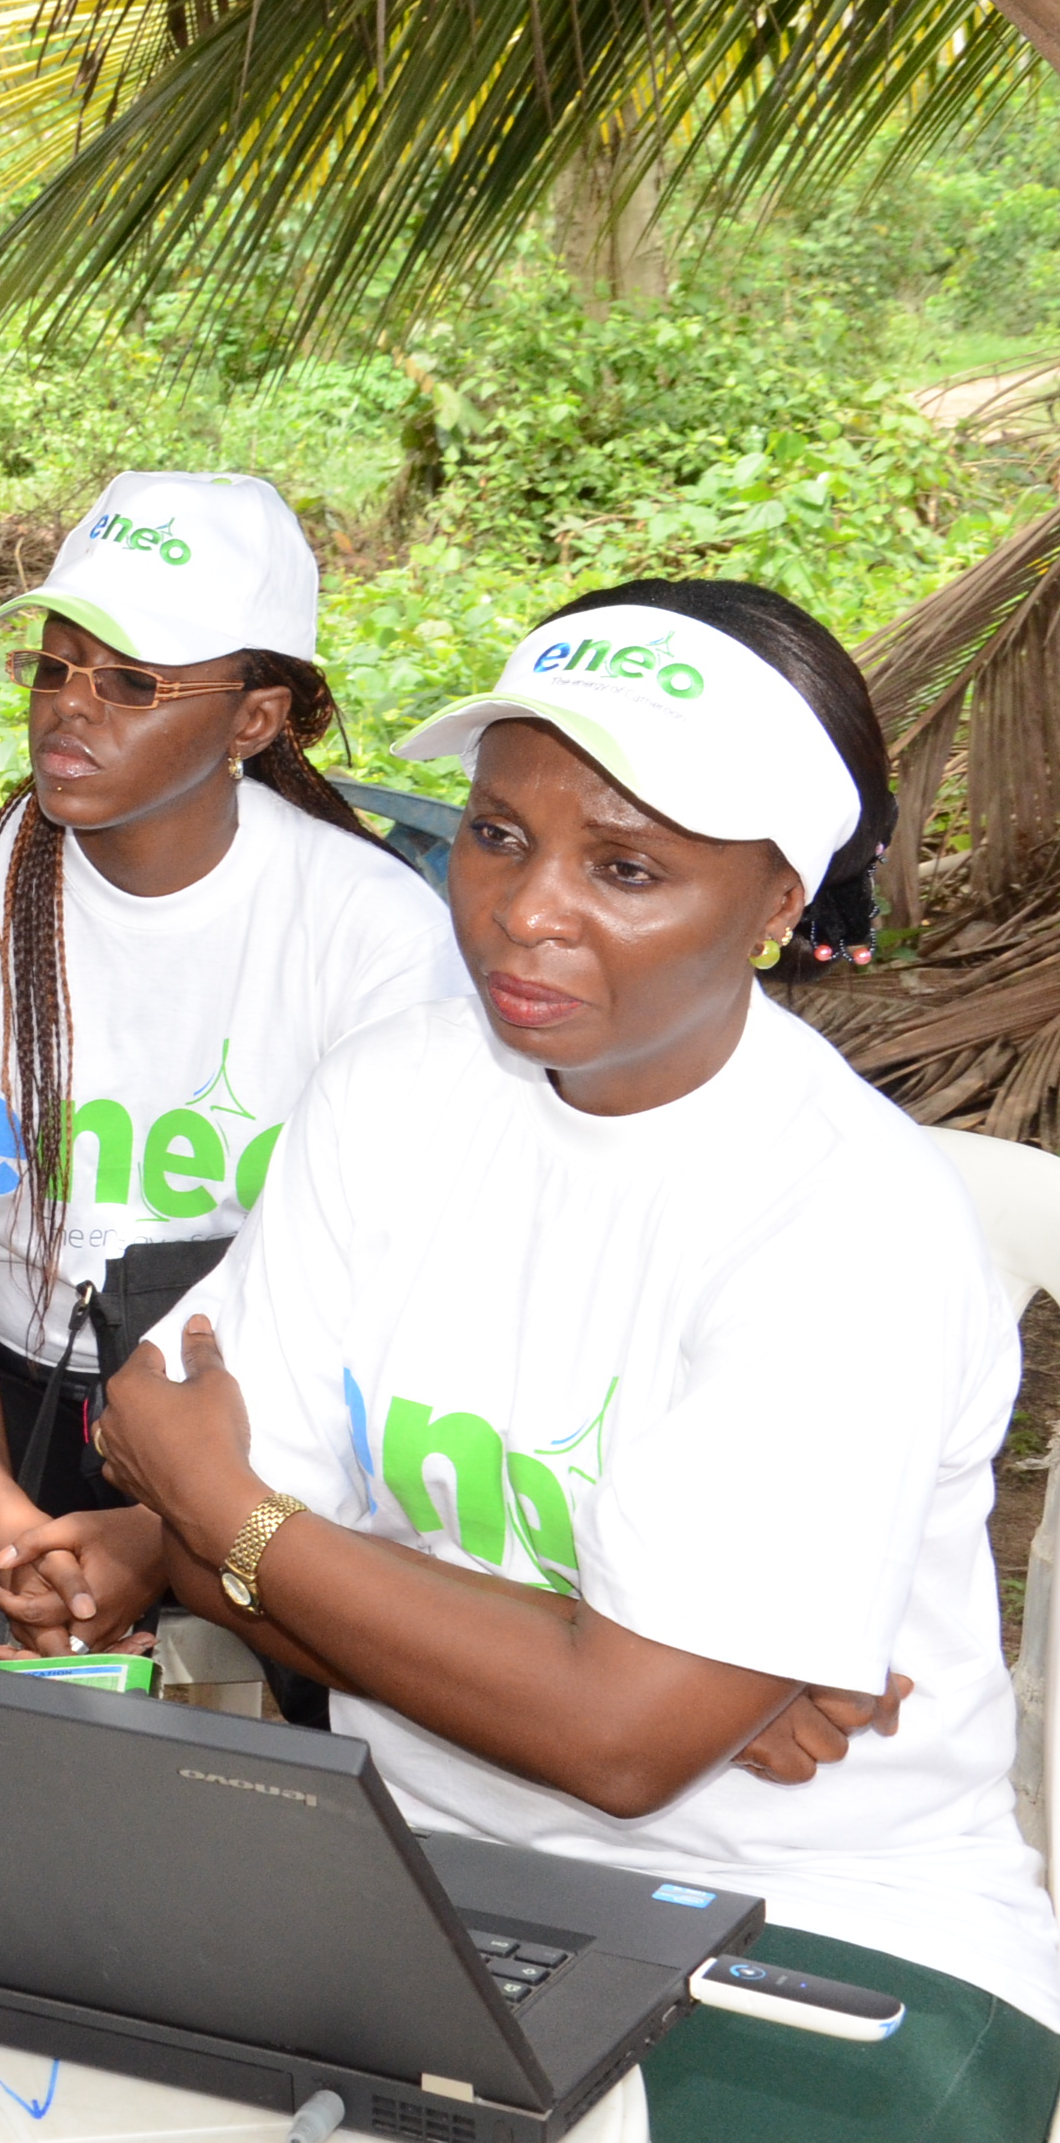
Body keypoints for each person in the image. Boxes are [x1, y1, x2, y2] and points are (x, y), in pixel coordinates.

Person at [99, 580, 1060, 2142]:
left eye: (626, 867)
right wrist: (604, 1663)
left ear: (775, 899)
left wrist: (244, 1529)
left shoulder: (844, 1223)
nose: (524, 911)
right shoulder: (391, 1095)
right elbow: (167, 1486)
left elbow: (613, 1751)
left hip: (825, 1931)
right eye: (496, 835)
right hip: (421, 1889)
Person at [0, 473, 462, 1653]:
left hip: (262, 1416)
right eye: (55, 667)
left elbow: (384, 1311)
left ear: (254, 720)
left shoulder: (375, 936)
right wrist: (0, 1514)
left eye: (132, 683)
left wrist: (164, 1533)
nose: (69, 710)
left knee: (312, 1693)